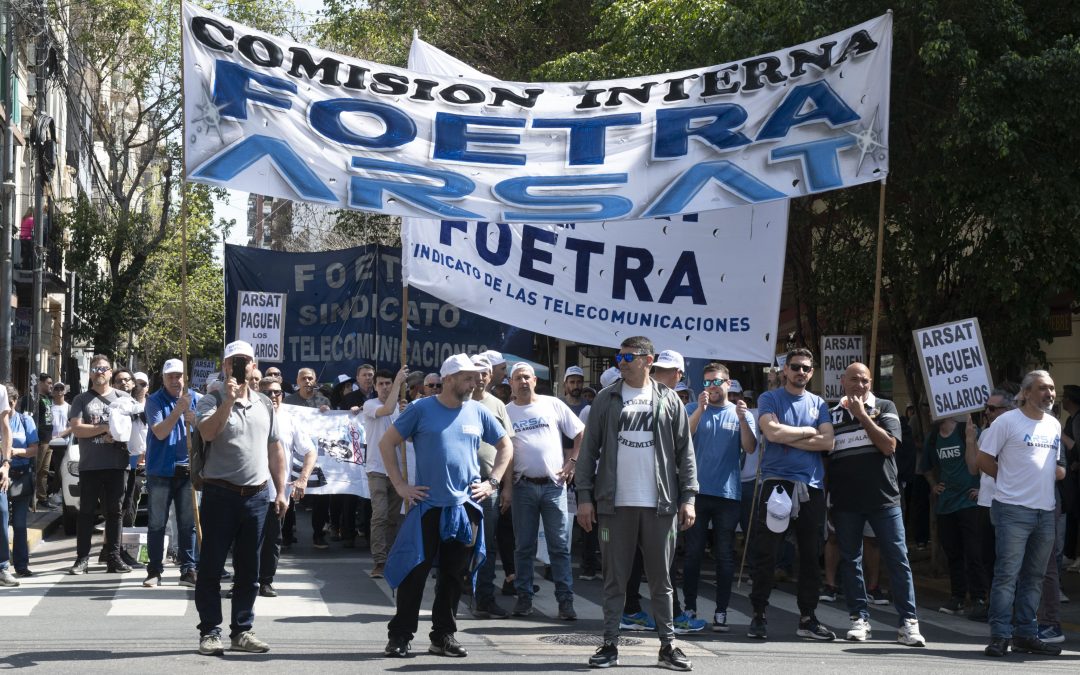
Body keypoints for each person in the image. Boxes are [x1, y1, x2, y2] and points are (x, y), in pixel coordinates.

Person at [576, 336, 697, 671]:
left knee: (662, 580)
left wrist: (689, 498)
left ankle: (668, 646)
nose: (622, 362)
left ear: (648, 359)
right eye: (619, 357)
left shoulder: (669, 399)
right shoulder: (606, 398)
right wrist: (584, 498)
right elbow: (588, 452)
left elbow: (685, 453)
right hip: (615, 504)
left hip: (660, 503)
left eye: (629, 356)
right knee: (614, 579)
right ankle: (610, 644)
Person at [380, 354, 513, 659]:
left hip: (465, 507)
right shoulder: (420, 409)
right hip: (427, 505)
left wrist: (492, 482)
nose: (475, 381)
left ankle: (443, 636)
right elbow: (387, 443)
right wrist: (401, 486)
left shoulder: (478, 412)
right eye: (468, 377)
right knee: (415, 573)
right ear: (450, 378)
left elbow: (506, 446)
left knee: (454, 576)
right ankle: (400, 636)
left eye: (476, 376)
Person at [194, 340, 288, 656]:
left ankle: (242, 631)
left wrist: (281, 489)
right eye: (233, 361)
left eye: (244, 361)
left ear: (253, 365)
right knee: (211, 567)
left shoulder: (264, 403)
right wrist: (228, 402)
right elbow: (207, 433)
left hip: (257, 497)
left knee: (250, 571)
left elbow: (275, 448)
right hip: (220, 494)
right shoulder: (211, 399)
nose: (239, 365)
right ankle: (209, 632)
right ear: (224, 366)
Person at [828, 363, 925, 646]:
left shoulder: (885, 407)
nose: (860, 385)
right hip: (846, 501)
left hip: (884, 499)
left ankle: (908, 622)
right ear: (842, 382)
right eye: (854, 380)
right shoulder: (831, 414)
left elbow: (889, 446)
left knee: (898, 559)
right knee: (851, 559)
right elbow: (825, 454)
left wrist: (863, 417)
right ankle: (859, 618)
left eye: (865, 380)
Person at [747, 347, 836, 641]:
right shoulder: (769, 398)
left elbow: (828, 443)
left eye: (806, 369)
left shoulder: (818, 403)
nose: (800, 372)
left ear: (812, 373)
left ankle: (808, 618)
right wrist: (808, 432)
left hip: (810, 487)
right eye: (795, 367)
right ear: (785, 370)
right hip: (776, 483)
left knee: (811, 556)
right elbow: (771, 434)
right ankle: (758, 615)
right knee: (766, 554)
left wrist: (789, 434)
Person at [977, 370, 1064, 657]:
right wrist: (1008, 481)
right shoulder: (1006, 421)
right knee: (1007, 575)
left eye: (1051, 388)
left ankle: (1026, 633)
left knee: (1034, 577)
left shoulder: (1053, 425)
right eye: (1042, 388)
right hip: (1012, 510)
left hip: (1045, 511)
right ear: (1026, 393)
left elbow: (1054, 465)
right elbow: (983, 459)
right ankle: (1000, 635)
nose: (1049, 394)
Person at [505, 362, 584, 620]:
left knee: (559, 547)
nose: (523, 382)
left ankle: (566, 602)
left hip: (553, 486)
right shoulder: (506, 412)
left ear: (535, 381)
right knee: (523, 547)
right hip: (522, 486)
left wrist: (572, 461)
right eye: (518, 378)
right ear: (511, 384)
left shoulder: (553, 404)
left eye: (527, 377)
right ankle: (524, 599)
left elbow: (581, 432)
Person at [682, 362, 756, 633]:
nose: (711, 387)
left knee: (725, 555)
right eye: (707, 382)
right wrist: (700, 409)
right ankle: (689, 606)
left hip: (727, 495)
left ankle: (721, 611)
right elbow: (683, 439)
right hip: (697, 493)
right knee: (693, 554)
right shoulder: (692, 409)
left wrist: (743, 418)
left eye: (716, 381)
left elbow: (750, 447)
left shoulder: (739, 413)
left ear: (728, 383)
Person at [67, 355, 134, 574]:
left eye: (104, 368)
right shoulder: (81, 399)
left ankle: (113, 557)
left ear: (110, 372)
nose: (99, 372)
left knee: (115, 513)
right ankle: (82, 559)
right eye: (95, 369)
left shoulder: (123, 397)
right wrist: (105, 428)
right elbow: (77, 429)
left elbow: (132, 429)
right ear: (90, 372)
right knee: (86, 512)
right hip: (90, 465)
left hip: (117, 464)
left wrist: (116, 434)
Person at [142, 359, 199, 588]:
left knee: (188, 524)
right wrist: (178, 411)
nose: (175, 381)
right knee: (156, 523)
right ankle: (154, 570)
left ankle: (188, 569)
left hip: (187, 470)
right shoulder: (154, 401)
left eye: (179, 376)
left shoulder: (196, 399)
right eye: (170, 377)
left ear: (185, 378)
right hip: (161, 471)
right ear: (164, 379)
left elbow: (208, 432)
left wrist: (195, 420)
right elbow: (161, 432)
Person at [466, 354, 515, 619]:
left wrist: (506, 487)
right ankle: (459, 591)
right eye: (476, 373)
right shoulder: (458, 401)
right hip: (459, 484)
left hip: (488, 485)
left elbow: (509, 448)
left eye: (485, 372)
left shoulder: (497, 405)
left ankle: (484, 597)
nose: (480, 378)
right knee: (460, 541)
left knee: (488, 543)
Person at [258, 375, 316, 597]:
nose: (274, 396)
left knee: (273, 538)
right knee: (246, 539)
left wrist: (302, 478)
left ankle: (266, 581)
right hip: (249, 488)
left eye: (277, 392)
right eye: (268, 393)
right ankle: (243, 580)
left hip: (278, 491)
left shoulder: (290, 420)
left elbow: (310, 451)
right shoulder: (250, 415)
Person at [920, 414, 984, 615]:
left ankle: (978, 597)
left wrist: (984, 488)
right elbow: (926, 467)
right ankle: (957, 597)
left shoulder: (968, 430)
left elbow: (986, 460)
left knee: (974, 551)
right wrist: (933, 485)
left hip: (970, 501)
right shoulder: (933, 437)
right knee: (953, 552)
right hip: (947, 504)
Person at [967, 389, 1015, 622]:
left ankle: (1006, 607)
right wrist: (969, 439)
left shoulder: (1013, 431)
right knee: (986, 556)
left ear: (1008, 410)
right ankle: (991, 602)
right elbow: (973, 468)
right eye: (986, 408)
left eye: (993, 408)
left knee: (1005, 557)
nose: (988, 412)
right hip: (986, 502)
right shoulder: (986, 432)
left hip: (1007, 503)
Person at [362, 366, 409, 578]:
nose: (384, 387)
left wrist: (407, 412)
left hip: (397, 471)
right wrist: (399, 382)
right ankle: (379, 561)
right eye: (380, 384)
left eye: (387, 383)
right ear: (374, 387)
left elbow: (408, 437)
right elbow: (387, 410)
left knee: (392, 518)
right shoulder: (369, 405)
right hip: (377, 469)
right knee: (379, 515)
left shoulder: (401, 408)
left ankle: (390, 557)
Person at [285, 368, 333, 549]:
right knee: (289, 491)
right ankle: (287, 533)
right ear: (297, 381)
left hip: (318, 456)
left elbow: (332, 426)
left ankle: (318, 534)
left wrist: (328, 413)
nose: (307, 381)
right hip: (294, 454)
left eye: (310, 378)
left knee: (321, 495)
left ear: (315, 380)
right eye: (304, 378)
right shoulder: (288, 401)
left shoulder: (323, 401)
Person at [5, 384, 37, 579]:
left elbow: (34, 449)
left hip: (20, 475)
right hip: (2, 475)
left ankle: (21, 564)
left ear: (16, 401)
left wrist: (15, 452)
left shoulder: (26, 420)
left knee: (19, 523)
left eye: (11, 402)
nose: (8, 407)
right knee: (2, 521)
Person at [19, 373, 52, 511]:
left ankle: (42, 497)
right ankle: (27, 499)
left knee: (44, 471)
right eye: (48, 383)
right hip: (37, 439)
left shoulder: (47, 398)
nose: (51, 386)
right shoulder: (31, 398)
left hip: (48, 438)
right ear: (40, 383)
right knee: (35, 469)